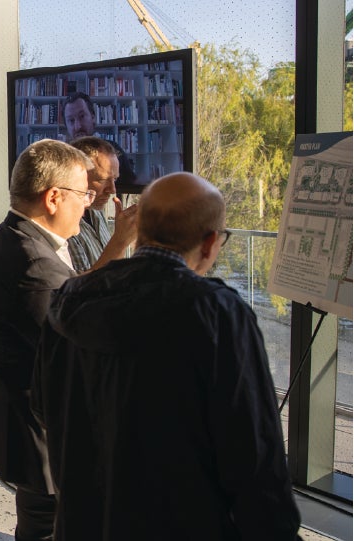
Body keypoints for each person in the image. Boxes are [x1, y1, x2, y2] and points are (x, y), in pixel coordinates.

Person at [34, 172, 301, 540]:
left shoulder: (70, 298)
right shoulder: (216, 313)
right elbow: (252, 450)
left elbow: (43, 407)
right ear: (209, 244)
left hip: (84, 521)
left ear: (140, 230)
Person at [0, 139, 93, 540]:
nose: (88, 203)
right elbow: (86, 356)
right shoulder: (37, 265)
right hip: (43, 442)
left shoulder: (13, 236)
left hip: (22, 432)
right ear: (54, 197)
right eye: (83, 193)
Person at [66, 136, 138, 272]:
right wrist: (120, 241)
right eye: (102, 180)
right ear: (77, 177)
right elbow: (79, 288)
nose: (112, 190)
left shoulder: (96, 211)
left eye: (115, 180)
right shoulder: (64, 223)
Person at [62, 92, 136, 184]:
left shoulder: (113, 150)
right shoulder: (62, 158)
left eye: (82, 116)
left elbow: (131, 186)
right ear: (66, 126)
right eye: (71, 120)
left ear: (93, 117)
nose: (78, 126)